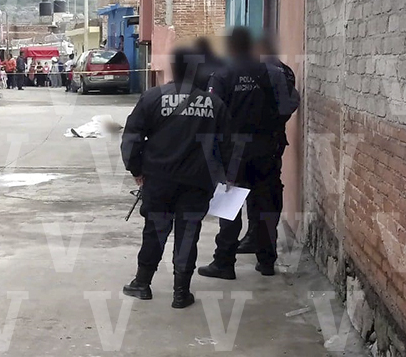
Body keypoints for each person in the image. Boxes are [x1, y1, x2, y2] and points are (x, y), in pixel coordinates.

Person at [121, 47, 233, 309]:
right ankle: (181, 292)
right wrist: (228, 176)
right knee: (188, 233)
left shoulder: (152, 97)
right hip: (198, 182)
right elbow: (228, 144)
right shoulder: (214, 104)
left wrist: (136, 169)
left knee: (155, 231)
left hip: (159, 179)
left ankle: (142, 283)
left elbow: (132, 137)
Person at [198, 27, 300, 279]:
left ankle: (224, 263)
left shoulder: (222, 74)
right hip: (267, 147)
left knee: (229, 206)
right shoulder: (274, 72)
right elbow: (290, 103)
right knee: (265, 204)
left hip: (233, 150)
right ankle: (266, 262)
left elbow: (211, 112)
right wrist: (271, 125)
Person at [236, 35, 299, 254]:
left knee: (248, 191)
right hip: (271, 141)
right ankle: (261, 241)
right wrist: (275, 123)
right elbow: (291, 102)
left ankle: (253, 238)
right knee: (266, 191)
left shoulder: (258, 71)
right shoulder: (283, 71)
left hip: (250, 142)